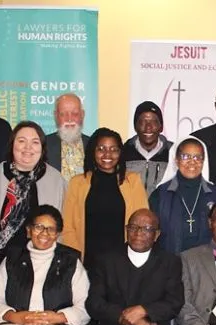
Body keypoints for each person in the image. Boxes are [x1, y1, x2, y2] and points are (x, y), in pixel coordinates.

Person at [0, 121, 66, 271]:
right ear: (12, 145)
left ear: (42, 148)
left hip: (42, 266)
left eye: (35, 142)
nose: (28, 148)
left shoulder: (56, 180)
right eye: (21, 141)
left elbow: (64, 226)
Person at [62, 128, 148, 268]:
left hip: (123, 265)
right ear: (93, 152)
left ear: (120, 153)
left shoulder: (133, 181)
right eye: (101, 149)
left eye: (114, 149)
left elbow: (142, 222)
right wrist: (75, 261)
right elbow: (68, 227)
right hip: (86, 264)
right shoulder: (77, 183)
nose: (107, 154)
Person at [150, 136, 216, 255]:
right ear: (176, 160)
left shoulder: (215, 194)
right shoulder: (160, 194)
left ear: (204, 161)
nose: (192, 162)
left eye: (198, 157)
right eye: (185, 156)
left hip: (204, 264)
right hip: (169, 262)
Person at [123, 101, 173, 195]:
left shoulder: (173, 153)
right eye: (143, 121)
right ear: (135, 126)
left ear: (161, 127)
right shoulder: (123, 153)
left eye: (154, 121)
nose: (148, 127)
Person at [45, 93, 90, 181]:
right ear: (56, 115)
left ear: (82, 115)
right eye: (63, 114)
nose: (69, 119)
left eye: (75, 113)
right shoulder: (43, 144)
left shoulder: (93, 145)